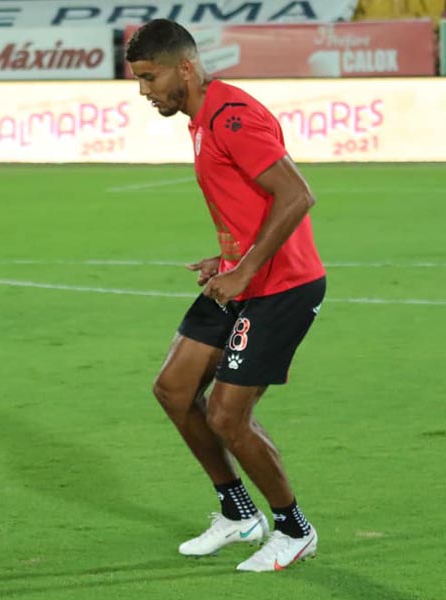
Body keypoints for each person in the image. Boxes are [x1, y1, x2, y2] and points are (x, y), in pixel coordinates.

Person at [126, 19, 327, 572]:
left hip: (280, 286)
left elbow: (296, 194)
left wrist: (243, 272)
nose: (144, 91)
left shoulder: (230, 117)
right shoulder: (200, 117)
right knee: (173, 389)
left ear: (184, 68)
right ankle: (238, 513)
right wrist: (229, 258)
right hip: (243, 275)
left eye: (149, 78)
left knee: (227, 416)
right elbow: (250, 202)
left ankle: (293, 529)